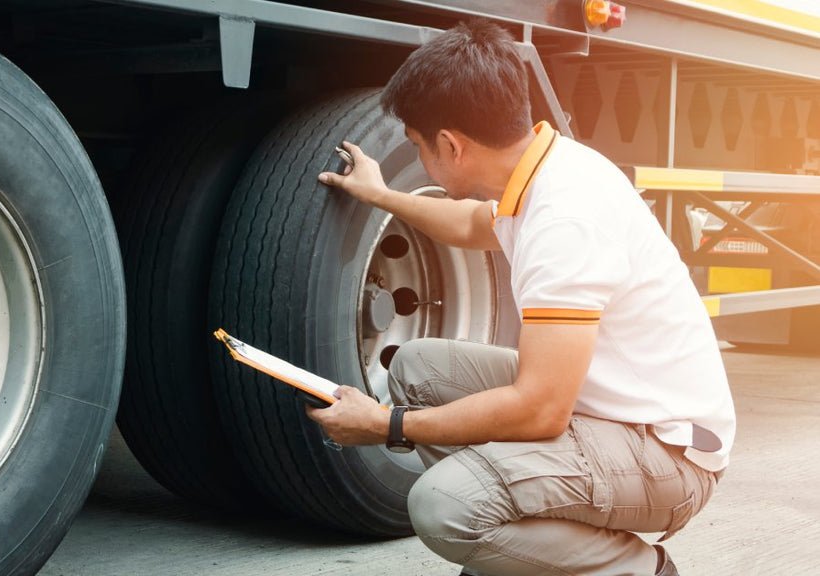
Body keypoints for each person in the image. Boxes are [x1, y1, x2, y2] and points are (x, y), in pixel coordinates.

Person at [307, 18, 735, 576]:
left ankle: (637, 569)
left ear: (450, 146)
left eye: (418, 146)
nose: (419, 154)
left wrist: (386, 425)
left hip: (669, 455)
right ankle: (522, 550)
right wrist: (382, 195)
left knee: (442, 506)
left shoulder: (565, 219)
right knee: (417, 367)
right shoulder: (541, 171)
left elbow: (540, 409)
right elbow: (468, 223)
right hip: (611, 412)